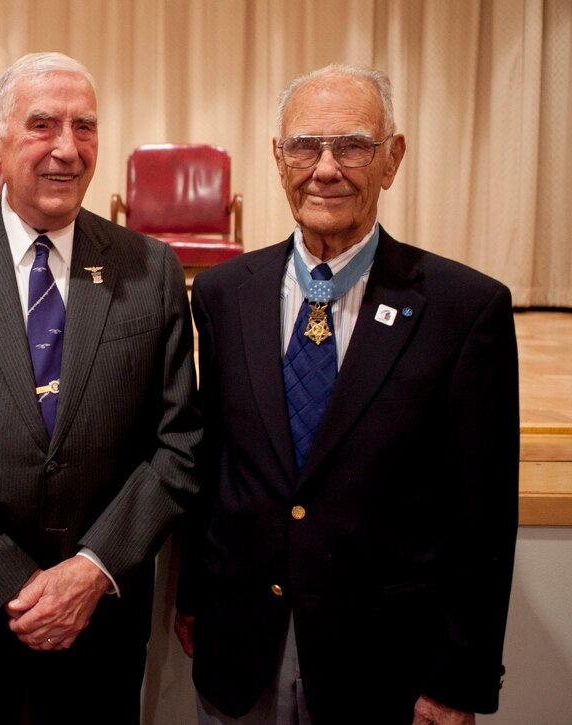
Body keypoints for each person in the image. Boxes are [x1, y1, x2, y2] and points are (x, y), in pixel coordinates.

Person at [174, 64, 519, 725]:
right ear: (278, 160)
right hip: (241, 654)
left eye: (353, 146)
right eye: (304, 145)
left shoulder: (465, 310)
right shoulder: (222, 296)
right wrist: (195, 598)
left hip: (388, 671)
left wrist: (458, 678)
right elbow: (214, 461)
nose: (325, 168)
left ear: (392, 159)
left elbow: (483, 517)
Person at [0, 52, 201, 724]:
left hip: (102, 629)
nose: (67, 149)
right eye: (43, 125)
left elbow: (178, 444)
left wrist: (91, 569)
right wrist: (11, 584)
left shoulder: (153, 270)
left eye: (84, 127)